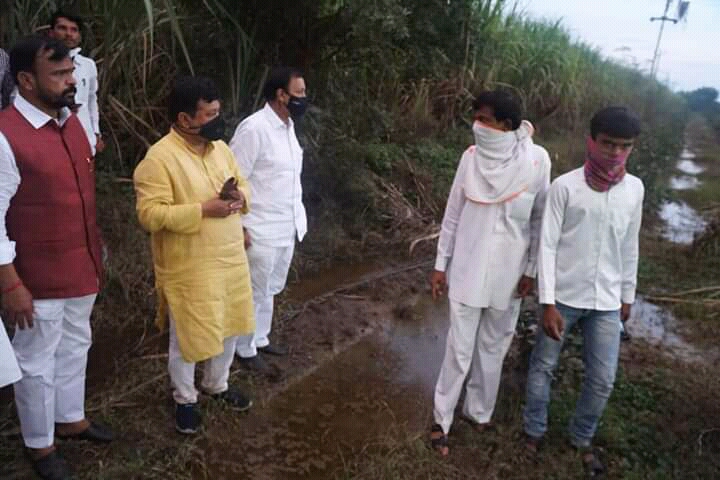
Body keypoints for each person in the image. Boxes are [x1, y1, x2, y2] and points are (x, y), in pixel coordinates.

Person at [0, 36, 113, 480]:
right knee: (36, 358)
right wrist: (9, 282)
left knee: (76, 342)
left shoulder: (73, 122)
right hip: (35, 274)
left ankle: (70, 418)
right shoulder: (6, 135)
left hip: (80, 263)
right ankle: (40, 444)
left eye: (72, 73)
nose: (71, 82)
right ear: (26, 80)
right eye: (60, 75)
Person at [429, 90, 551, 456]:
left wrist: (530, 270)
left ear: (507, 126)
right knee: (458, 349)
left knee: (493, 348)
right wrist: (440, 265)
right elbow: (452, 214)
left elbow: (539, 221)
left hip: (509, 274)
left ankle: (479, 412)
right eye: (476, 119)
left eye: (485, 120)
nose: (477, 126)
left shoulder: (536, 162)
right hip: (467, 267)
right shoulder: (470, 158)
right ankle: (441, 419)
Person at [523, 106, 643, 477]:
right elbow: (547, 245)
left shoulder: (634, 189)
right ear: (591, 141)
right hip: (563, 299)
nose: (615, 153)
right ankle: (533, 430)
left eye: (624, 147)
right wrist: (546, 303)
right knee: (543, 365)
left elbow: (630, 245)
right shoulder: (565, 187)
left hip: (607, 302)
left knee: (603, 378)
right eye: (608, 144)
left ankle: (581, 437)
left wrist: (627, 294)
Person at [133, 75, 255, 436]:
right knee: (188, 334)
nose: (218, 120)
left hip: (230, 256)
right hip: (190, 264)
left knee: (230, 323)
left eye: (219, 112)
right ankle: (184, 398)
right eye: (210, 114)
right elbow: (150, 215)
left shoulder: (220, 149)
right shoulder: (159, 158)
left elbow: (243, 184)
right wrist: (203, 209)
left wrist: (239, 198)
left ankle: (217, 385)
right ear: (185, 120)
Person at [229, 66, 308, 372]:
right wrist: (239, 226)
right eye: (299, 93)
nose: (304, 98)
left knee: (270, 288)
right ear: (281, 95)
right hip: (258, 227)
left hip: (286, 224)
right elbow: (232, 180)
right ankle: (243, 350)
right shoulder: (254, 129)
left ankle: (260, 338)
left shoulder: (288, 127)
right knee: (252, 290)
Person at [47, 11, 104, 155]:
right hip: (53, 137)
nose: (68, 34)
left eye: (74, 30)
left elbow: (91, 100)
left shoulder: (88, 65)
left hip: (85, 136)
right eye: (62, 28)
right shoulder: (41, 63)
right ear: (51, 32)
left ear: (79, 36)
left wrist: (96, 132)